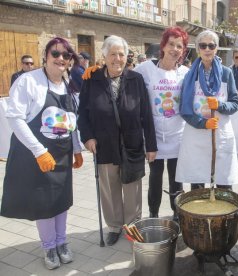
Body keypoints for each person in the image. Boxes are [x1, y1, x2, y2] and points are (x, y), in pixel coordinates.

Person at [1, 37, 83, 270]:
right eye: (55, 53)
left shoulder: (67, 84)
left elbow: (71, 121)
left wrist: (76, 149)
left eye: (66, 55)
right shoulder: (28, 82)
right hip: (37, 155)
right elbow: (15, 117)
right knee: (44, 203)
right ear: (45, 56)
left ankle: (62, 242)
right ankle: (49, 247)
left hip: (62, 155)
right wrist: (39, 151)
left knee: (61, 200)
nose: (60, 58)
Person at [77, 35, 157, 246]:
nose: (117, 58)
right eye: (112, 54)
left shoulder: (136, 79)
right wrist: (87, 137)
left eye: (121, 54)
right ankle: (113, 226)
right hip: (104, 143)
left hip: (132, 144)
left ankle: (132, 226)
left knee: (132, 189)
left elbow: (146, 115)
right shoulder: (91, 80)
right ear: (104, 56)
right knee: (110, 188)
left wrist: (151, 146)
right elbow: (82, 113)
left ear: (126, 56)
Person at [134, 26, 189, 221]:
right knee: (155, 178)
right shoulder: (145, 69)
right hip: (153, 136)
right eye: (171, 44)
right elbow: (124, 78)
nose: (175, 49)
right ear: (163, 45)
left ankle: (177, 214)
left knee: (177, 178)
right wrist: (98, 72)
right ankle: (153, 213)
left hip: (178, 135)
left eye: (179, 46)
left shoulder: (185, 73)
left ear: (183, 50)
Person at [176, 30, 238, 190]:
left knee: (224, 184)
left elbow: (235, 104)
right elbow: (185, 109)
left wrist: (220, 105)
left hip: (221, 135)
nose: (207, 49)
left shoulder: (226, 73)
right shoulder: (190, 75)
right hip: (196, 137)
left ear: (216, 48)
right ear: (198, 49)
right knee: (197, 186)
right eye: (203, 45)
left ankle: (225, 215)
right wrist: (203, 123)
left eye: (211, 45)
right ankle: (198, 216)